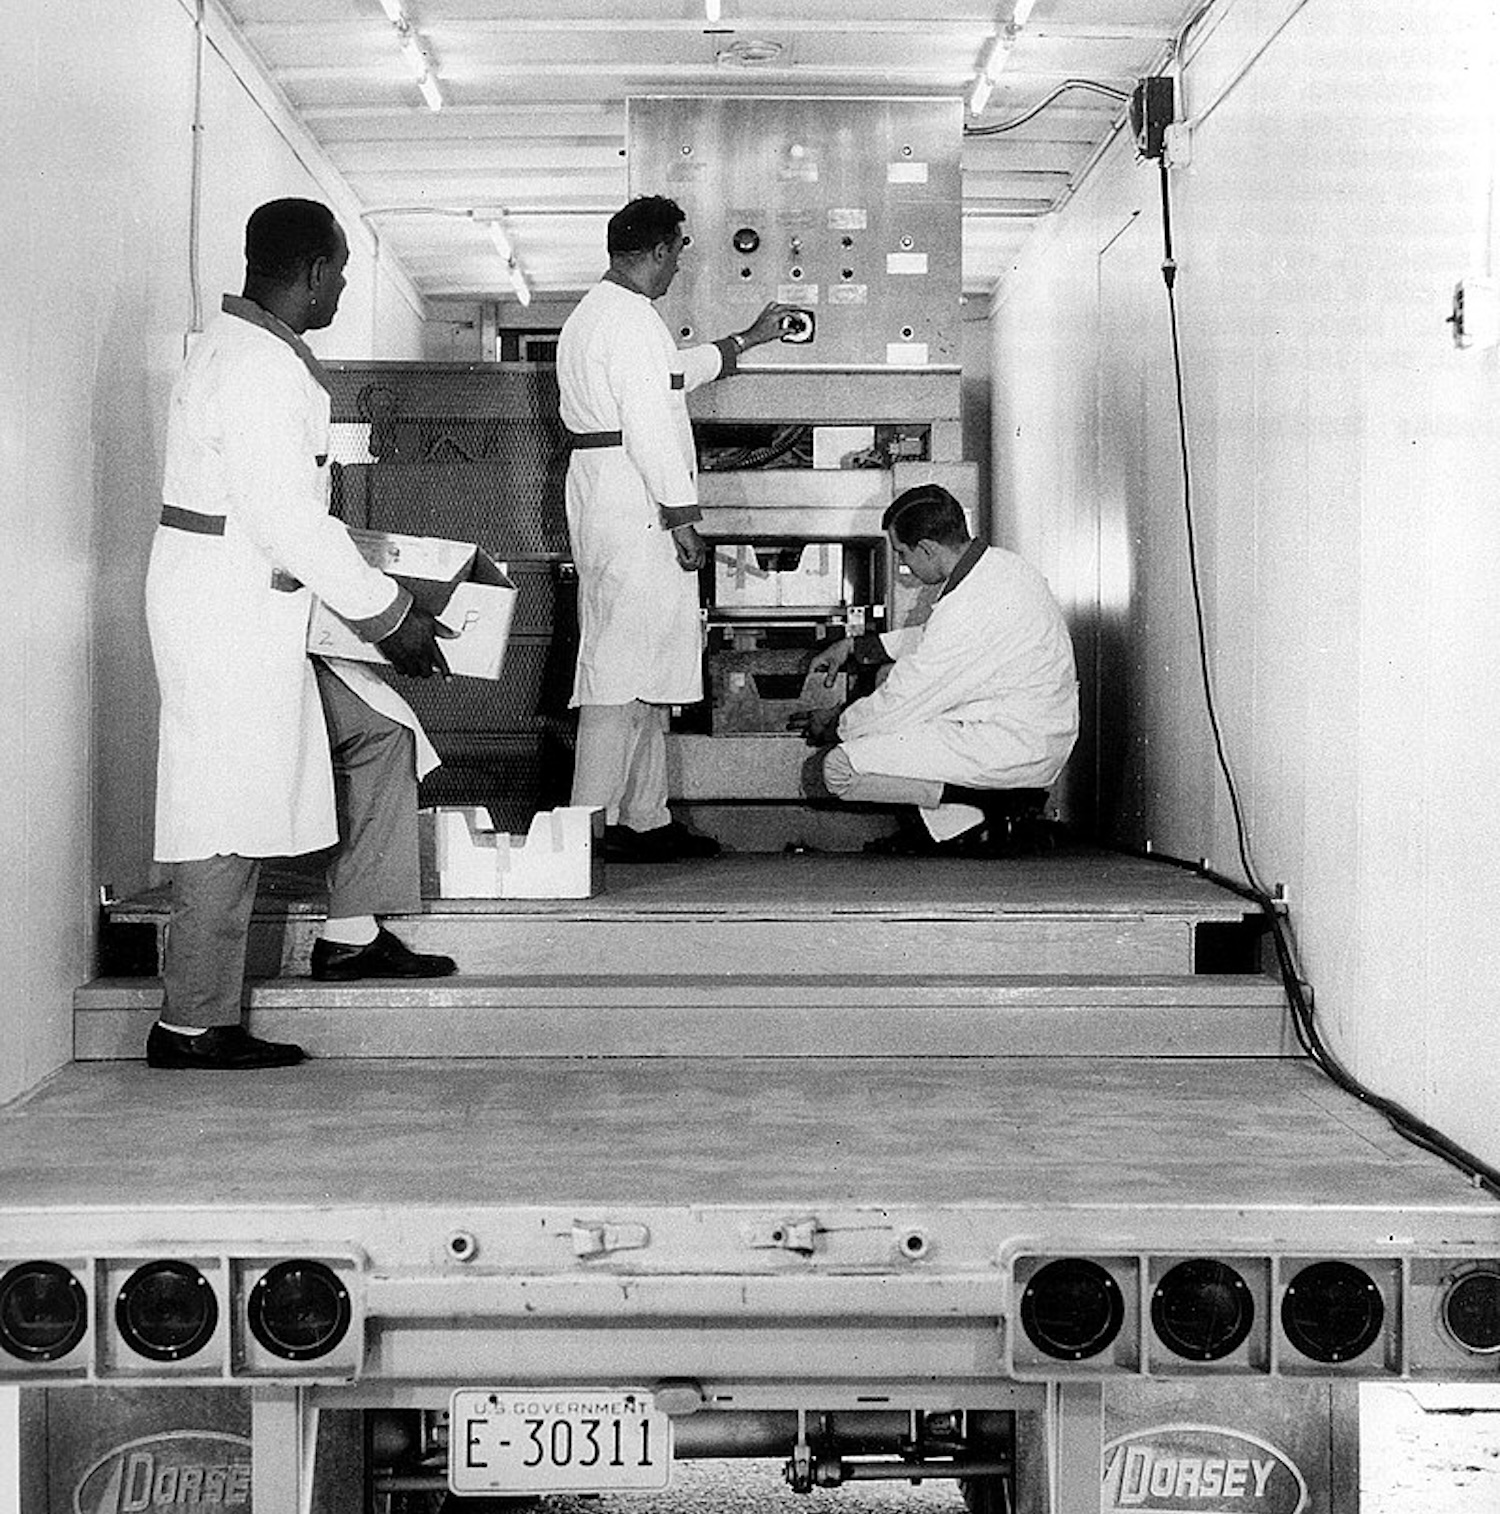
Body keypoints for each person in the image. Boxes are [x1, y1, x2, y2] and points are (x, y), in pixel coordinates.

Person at [144, 198, 457, 1071]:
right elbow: (283, 517)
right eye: (343, 270)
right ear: (316, 269)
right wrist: (391, 615)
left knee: (380, 731)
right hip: (228, 613)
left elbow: (283, 511)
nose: (344, 285)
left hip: (265, 601)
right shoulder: (254, 365)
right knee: (227, 806)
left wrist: (375, 584)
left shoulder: (259, 355)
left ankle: (352, 935)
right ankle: (193, 1024)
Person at [558, 194, 804, 862]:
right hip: (636, 497)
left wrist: (746, 339)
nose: (676, 268)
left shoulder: (599, 315)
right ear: (662, 249)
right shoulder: (631, 319)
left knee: (639, 664)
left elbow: (670, 379)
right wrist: (682, 517)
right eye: (679, 252)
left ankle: (645, 818)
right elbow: (651, 423)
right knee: (619, 668)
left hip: (610, 491)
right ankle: (586, 827)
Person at [797, 484, 1078, 854]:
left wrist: (836, 723)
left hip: (1009, 744)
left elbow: (904, 699)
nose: (904, 567)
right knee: (898, 721)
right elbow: (934, 640)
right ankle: (965, 826)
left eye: (903, 554)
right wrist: (855, 646)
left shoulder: (967, 607)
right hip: (1031, 731)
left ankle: (992, 808)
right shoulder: (1004, 569)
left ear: (927, 548)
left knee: (837, 768)